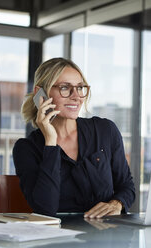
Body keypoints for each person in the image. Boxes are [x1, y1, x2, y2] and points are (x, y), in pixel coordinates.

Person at [13, 57, 135, 218]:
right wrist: (50, 142)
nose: (76, 96)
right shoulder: (26, 148)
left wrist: (116, 203)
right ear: (40, 94)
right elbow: (45, 210)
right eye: (65, 88)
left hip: (105, 235)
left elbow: (127, 186)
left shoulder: (105, 130)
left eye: (80, 88)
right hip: (59, 239)